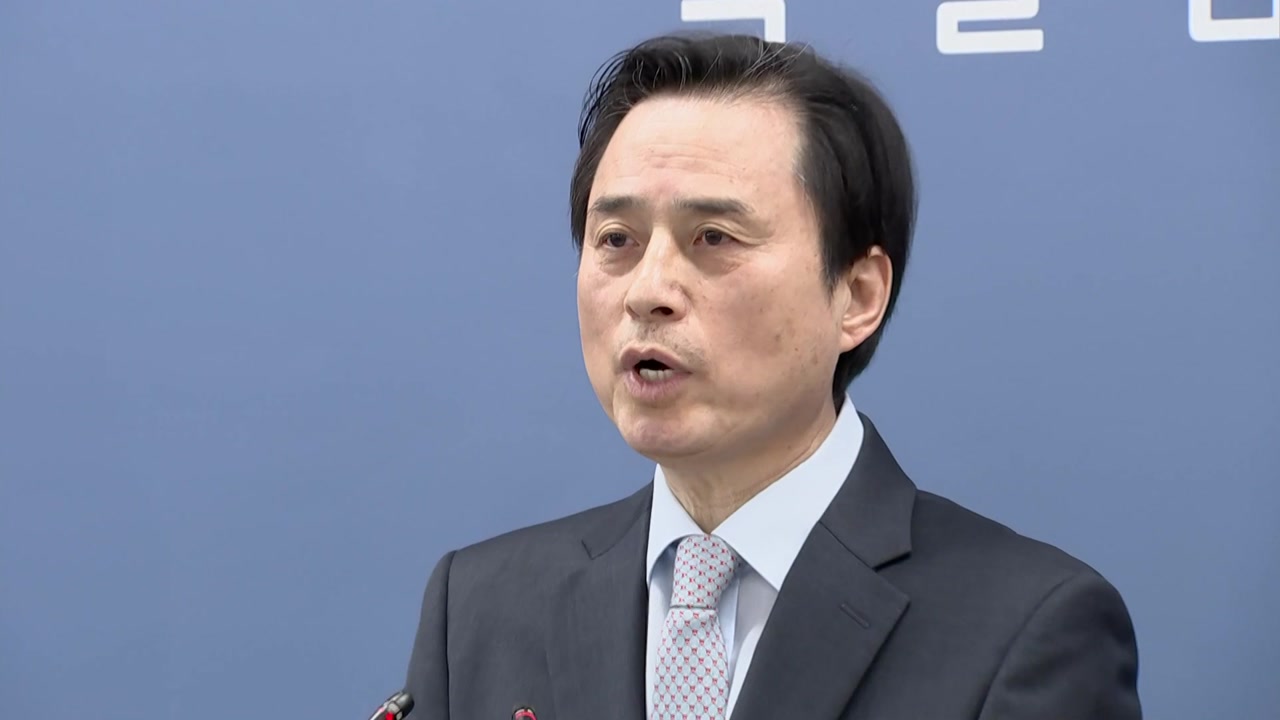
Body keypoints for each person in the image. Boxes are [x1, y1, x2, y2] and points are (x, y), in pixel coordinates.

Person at [404, 32, 1141, 720]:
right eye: (617, 239)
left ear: (857, 295)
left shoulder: (1027, 628)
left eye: (714, 237)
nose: (647, 290)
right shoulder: (477, 608)